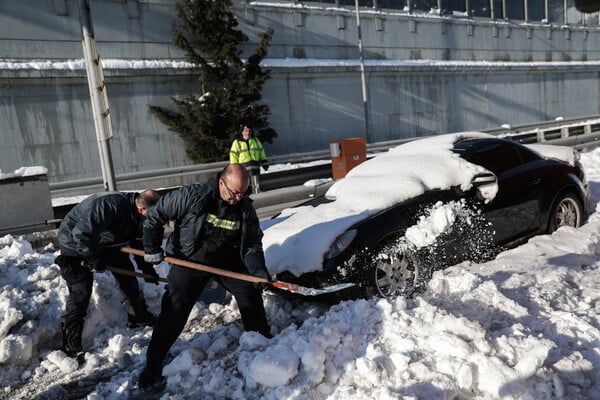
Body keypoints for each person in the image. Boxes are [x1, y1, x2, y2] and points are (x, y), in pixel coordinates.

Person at [138, 164, 272, 388]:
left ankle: (263, 346)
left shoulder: (244, 208)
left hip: (226, 260)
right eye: (234, 192)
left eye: (243, 193)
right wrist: (151, 248)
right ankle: (152, 364)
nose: (238, 198)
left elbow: (251, 244)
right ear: (222, 182)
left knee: (250, 292)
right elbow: (155, 215)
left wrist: (257, 270)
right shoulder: (192, 195)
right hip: (189, 259)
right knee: (175, 310)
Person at [55, 189, 161, 358]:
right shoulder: (109, 205)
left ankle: (138, 315)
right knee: (80, 290)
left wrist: (147, 269)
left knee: (128, 275)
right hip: (75, 243)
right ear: (142, 209)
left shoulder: (140, 215)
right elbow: (81, 235)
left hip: (108, 240)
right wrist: (95, 260)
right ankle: (71, 342)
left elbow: (139, 243)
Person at [229, 125, 269, 194]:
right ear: (242, 132)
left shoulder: (255, 140)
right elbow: (233, 156)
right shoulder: (237, 142)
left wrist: (264, 161)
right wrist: (234, 168)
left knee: (256, 188)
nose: (248, 133)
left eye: (249, 131)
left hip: (255, 168)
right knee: (246, 188)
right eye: (246, 131)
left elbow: (261, 151)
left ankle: (258, 199)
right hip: (243, 169)